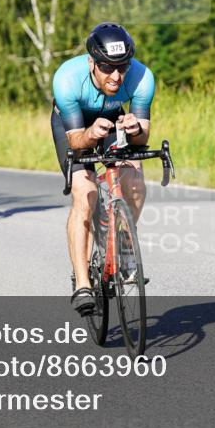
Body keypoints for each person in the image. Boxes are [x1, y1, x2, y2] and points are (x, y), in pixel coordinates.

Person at [51, 23, 155, 315]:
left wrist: (134, 129)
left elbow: (143, 135)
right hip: (74, 125)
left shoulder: (142, 77)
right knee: (86, 192)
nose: (116, 76)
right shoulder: (67, 80)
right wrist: (91, 133)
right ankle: (83, 283)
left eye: (122, 67)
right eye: (107, 68)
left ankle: (122, 250)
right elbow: (76, 141)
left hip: (112, 120)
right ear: (91, 63)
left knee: (134, 179)